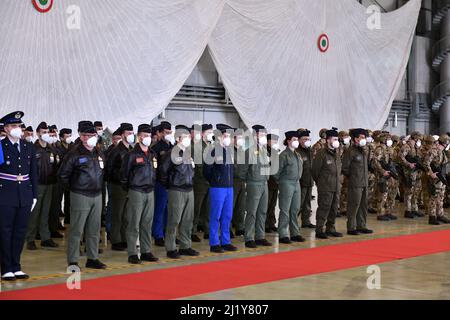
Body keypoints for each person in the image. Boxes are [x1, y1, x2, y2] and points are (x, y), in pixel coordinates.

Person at [58, 121, 107, 269]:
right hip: (80, 195)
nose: (93, 138)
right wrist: (74, 188)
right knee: (77, 229)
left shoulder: (98, 152)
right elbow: (62, 175)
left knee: (94, 229)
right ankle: (73, 261)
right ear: (83, 136)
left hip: (97, 195)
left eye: (94, 135)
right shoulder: (74, 153)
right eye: (90, 135)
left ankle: (92, 258)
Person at [0, 111, 37, 281]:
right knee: (5, 231)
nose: (17, 129)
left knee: (20, 231)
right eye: (13, 126)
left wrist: (34, 195)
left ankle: (16, 266)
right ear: (6, 129)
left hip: (25, 194)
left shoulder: (28, 146)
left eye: (19, 126)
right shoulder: (1, 146)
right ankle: (6, 267)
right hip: (6, 193)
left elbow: (33, 173)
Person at [120, 124, 159, 264]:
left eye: (149, 136)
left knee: (147, 223)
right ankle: (132, 253)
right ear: (139, 137)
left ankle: (146, 251)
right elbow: (124, 175)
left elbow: (155, 172)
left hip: (150, 191)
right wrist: (130, 189)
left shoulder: (152, 154)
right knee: (133, 223)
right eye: (144, 135)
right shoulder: (131, 155)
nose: (147, 138)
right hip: (136, 191)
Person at [159, 125, 199, 259]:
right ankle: (170, 248)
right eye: (185, 137)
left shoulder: (187, 152)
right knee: (174, 219)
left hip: (189, 189)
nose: (188, 139)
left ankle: (185, 246)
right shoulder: (171, 153)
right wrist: (170, 185)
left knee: (188, 219)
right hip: (176, 189)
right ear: (177, 139)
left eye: (189, 136)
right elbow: (163, 171)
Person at [25, 121, 60, 250]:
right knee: (35, 212)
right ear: (38, 133)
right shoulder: (32, 149)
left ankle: (45, 237)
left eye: (46, 132)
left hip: (50, 183)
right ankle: (30, 238)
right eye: (43, 132)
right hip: (37, 184)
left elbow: (56, 165)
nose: (45, 134)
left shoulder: (52, 149)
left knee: (46, 211)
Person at [203, 124, 238, 253]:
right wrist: (215, 180)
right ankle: (214, 243)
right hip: (218, 188)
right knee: (215, 216)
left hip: (229, 187)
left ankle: (225, 241)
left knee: (227, 215)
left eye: (229, 136)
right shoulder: (213, 150)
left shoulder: (228, 150)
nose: (228, 138)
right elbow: (207, 171)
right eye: (225, 136)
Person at [239, 125, 272, 248]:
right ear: (255, 135)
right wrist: (249, 180)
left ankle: (260, 236)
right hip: (254, 183)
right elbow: (242, 171)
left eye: (265, 134)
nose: (264, 136)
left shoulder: (263, 150)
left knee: (262, 211)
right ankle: (249, 237)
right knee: (252, 212)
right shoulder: (248, 150)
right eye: (262, 134)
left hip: (264, 183)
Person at [105, 123, 134, 251]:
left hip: (128, 186)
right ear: (122, 135)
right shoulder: (116, 151)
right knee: (117, 214)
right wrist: (119, 178)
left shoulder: (131, 150)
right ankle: (116, 240)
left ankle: (124, 238)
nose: (131, 136)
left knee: (126, 215)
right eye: (128, 133)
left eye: (132, 133)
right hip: (118, 185)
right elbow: (109, 169)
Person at [274, 131, 305, 243]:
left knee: (295, 209)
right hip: (286, 183)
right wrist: (282, 182)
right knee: (285, 209)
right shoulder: (283, 155)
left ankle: (295, 233)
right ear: (288, 141)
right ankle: (283, 233)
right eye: (294, 139)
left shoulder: (297, 155)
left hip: (297, 183)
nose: (296, 141)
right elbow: (276, 172)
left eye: (297, 139)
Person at [311, 128, 343, 239]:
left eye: (337, 139)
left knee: (334, 209)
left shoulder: (337, 153)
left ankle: (331, 228)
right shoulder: (321, 153)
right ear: (328, 140)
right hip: (325, 186)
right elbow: (315, 171)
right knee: (324, 208)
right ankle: (319, 230)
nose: (336, 141)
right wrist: (321, 183)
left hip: (336, 186)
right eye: (334, 139)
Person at [342, 128, 373, 235]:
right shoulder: (350, 151)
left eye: (365, 137)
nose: (364, 139)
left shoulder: (364, 150)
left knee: (363, 205)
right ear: (355, 139)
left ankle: (362, 225)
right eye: (362, 137)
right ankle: (351, 227)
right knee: (354, 205)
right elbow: (345, 168)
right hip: (355, 183)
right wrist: (353, 177)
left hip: (364, 182)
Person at [151, 121, 174, 246]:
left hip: (172, 183)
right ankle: (158, 234)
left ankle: (167, 232)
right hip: (160, 183)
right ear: (160, 133)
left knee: (169, 210)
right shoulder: (156, 148)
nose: (169, 134)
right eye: (166, 132)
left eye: (170, 132)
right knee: (159, 209)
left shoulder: (173, 146)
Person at [191, 124, 212, 241]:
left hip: (209, 182)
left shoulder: (210, 146)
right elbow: (196, 167)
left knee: (208, 208)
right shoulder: (196, 147)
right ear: (202, 134)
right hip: (199, 182)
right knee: (196, 208)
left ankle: (207, 230)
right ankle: (192, 231)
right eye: (208, 132)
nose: (211, 135)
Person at [423, 135, 450, 225]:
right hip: (435, 179)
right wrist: (430, 173)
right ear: (445, 143)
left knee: (441, 197)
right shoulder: (434, 150)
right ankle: (432, 217)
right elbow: (426, 162)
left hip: (441, 178)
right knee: (433, 197)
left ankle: (440, 214)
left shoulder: (442, 152)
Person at [371, 132, 398, 221]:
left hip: (389, 174)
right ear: (384, 140)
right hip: (383, 175)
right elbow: (375, 162)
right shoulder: (379, 149)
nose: (390, 141)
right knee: (383, 194)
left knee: (390, 193)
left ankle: (388, 212)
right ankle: (380, 213)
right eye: (388, 139)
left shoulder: (388, 149)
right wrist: (382, 171)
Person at [398, 131, 425, 219]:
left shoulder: (417, 147)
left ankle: (414, 209)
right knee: (409, 192)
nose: (420, 141)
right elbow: (400, 156)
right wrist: (408, 164)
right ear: (415, 138)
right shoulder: (407, 146)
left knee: (416, 191)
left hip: (417, 173)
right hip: (409, 172)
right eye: (419, 139)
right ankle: (408, 210)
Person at [296, 129, 315, 228]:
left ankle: (306, 221)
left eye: (308, 139)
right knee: (298, 204)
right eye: (304, 139)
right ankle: (293, 223)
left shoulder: (310, 151)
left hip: (309, 181)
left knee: (307, 204)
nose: (307, 141)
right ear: (299, 140)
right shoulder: (297, 151)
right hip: (300, 183)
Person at [265, 133, 280, 233]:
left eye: (276, 141)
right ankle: (265, 224)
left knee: (273, 204)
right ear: (268, 141)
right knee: (266, 204)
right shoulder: (264, 152)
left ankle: (271, 223)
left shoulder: (275, 152)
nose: (275, 143)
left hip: (275, 182)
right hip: (267, 181)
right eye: (273, 141)